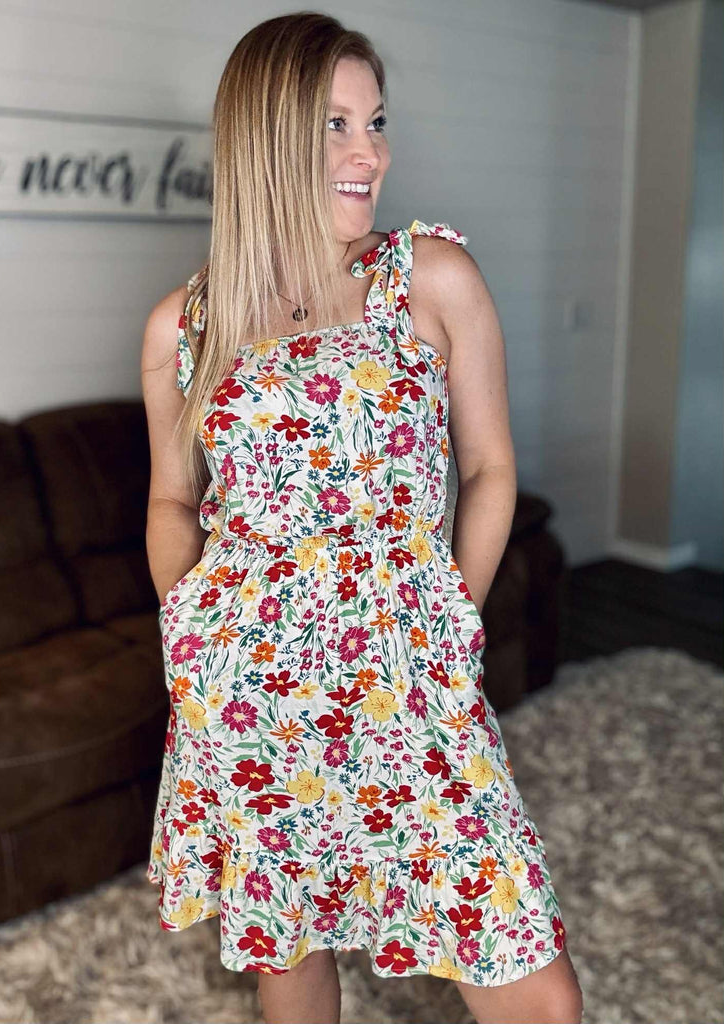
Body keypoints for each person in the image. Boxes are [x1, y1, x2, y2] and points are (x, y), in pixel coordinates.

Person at [140, 12, 583, 1024]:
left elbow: (490, 467)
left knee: (535, 987)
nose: (370, 153)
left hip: (411, 677)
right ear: (265, 140)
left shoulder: (430, 279)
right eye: (335, 125)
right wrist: (190, 632)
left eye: (375, 122)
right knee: (290, 953)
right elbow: (171, 499)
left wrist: (451, 621)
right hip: (250, 692)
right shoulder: (187, 325)